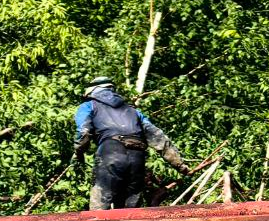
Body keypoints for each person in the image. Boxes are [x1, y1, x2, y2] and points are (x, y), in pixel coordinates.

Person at [74, 76, 191, 210]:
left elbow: (83, 132)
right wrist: (180, 165)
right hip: (137, 157)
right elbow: (159, 138)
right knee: (130, 208)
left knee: (100, 204)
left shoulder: (88, 106)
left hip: (110, 153)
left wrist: (79, 152)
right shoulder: (133, 111)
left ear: (91, 92)